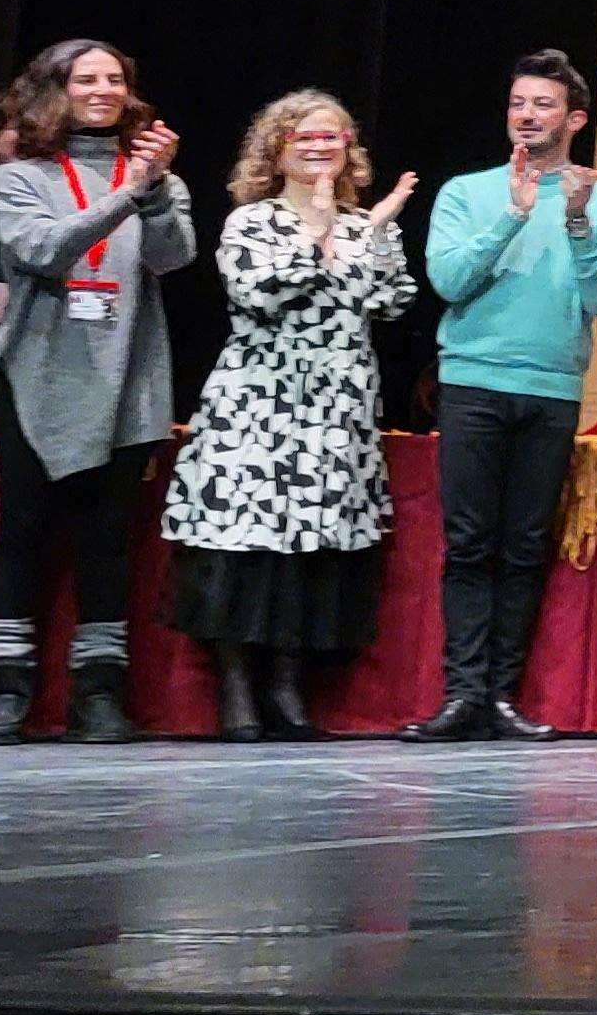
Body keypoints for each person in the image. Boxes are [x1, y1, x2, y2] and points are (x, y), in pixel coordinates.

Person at [164, 91, 416, 741]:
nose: (317, 146)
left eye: (330, 136)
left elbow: (391, 302)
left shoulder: (366, 225)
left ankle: (286, 687)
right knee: (246, 552)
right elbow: (260, 292)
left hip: (337, 416)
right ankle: (238, 692)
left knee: (311, 557)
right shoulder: (253, 221)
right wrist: (321, 229)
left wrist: (378, 229)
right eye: (302, 136)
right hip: (258, 415)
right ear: (276, 148)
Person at [401, 51, 597, 742]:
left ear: (576, 118)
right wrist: (510, 214)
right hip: (472, 382)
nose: (528, 116)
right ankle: (463, 695)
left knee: (526, 546)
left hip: (552, 388)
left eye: (543, 104)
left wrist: (577, 220)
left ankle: (501, 697)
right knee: (469, 544)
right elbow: (447, 280)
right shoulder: (468, 193)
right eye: (518, 104)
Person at [0, 39, 194, 745]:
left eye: (115, 80)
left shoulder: (158, 176)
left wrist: (153, 191)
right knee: (24, 534)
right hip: (37, 379)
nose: (102, 90)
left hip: (127, 380)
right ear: (55, 89)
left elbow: (173, 256)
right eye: (86, 79)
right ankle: (6, 688)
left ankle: (98, 692)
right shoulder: (21, 173)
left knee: (107, 542)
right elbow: (40, 250)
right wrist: (128, 194)